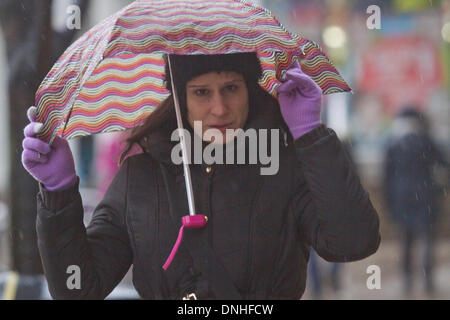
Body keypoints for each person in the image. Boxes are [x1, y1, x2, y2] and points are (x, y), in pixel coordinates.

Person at [21, 52, 380, 299]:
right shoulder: (139, 178)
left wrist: (311, 136)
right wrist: (59, 194)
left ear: (250, 91)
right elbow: (79, 289)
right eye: (202, 92)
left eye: (231, 88)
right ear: (180, 99)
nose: (219, 108)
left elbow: (354, 242)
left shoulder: (284, 167)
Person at [383, 107, 448, 296]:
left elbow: (386, 176)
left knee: (406, 241)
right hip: (425, 196)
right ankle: (428, 282)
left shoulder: (393, 144)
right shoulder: (426, 141)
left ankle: (407, 281)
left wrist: (389, 200)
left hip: (402, 198)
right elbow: (444, 164)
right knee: (427, 240)